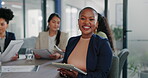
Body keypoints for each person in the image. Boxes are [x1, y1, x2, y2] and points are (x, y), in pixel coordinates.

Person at [58, 7, 112, 78]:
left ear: (96, 24)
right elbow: (65, 64)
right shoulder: (72, 41)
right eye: (83, 18)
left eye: (91, 19)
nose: (86, 22)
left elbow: (102, 75)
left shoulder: (102, 44)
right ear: (78, 22)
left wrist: (78, 76)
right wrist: (64, 72)